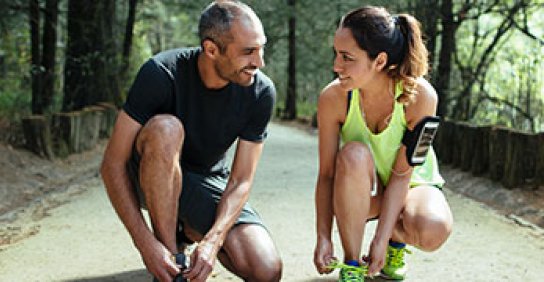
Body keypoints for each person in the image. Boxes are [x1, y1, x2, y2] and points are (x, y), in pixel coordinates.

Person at [100, 1, 282, 281]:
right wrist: (147, 245)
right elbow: (113, 163)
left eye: (261, 49)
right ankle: (173, 264)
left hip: (204, 181)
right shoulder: (161, 73)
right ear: (211, 49)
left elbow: (241, 180)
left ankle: (187, 230)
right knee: (166, 128)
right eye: (248, 52)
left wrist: (213, 241)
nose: (259, 62)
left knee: (265, 269)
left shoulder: (260, 91)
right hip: (146, 176)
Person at [313, 6, 453, 282]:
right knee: (353, 154)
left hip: (412, 183)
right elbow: (327, 175)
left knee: (432, 229)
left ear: (379, 61)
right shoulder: (333, 98)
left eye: (347, 57)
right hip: (362, 190)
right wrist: (323, 238)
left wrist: (382, 236)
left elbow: (402, 174)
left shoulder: (422, 97)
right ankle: (352, 263)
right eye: (336, 55)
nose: (336, 66)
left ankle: (394, 245)